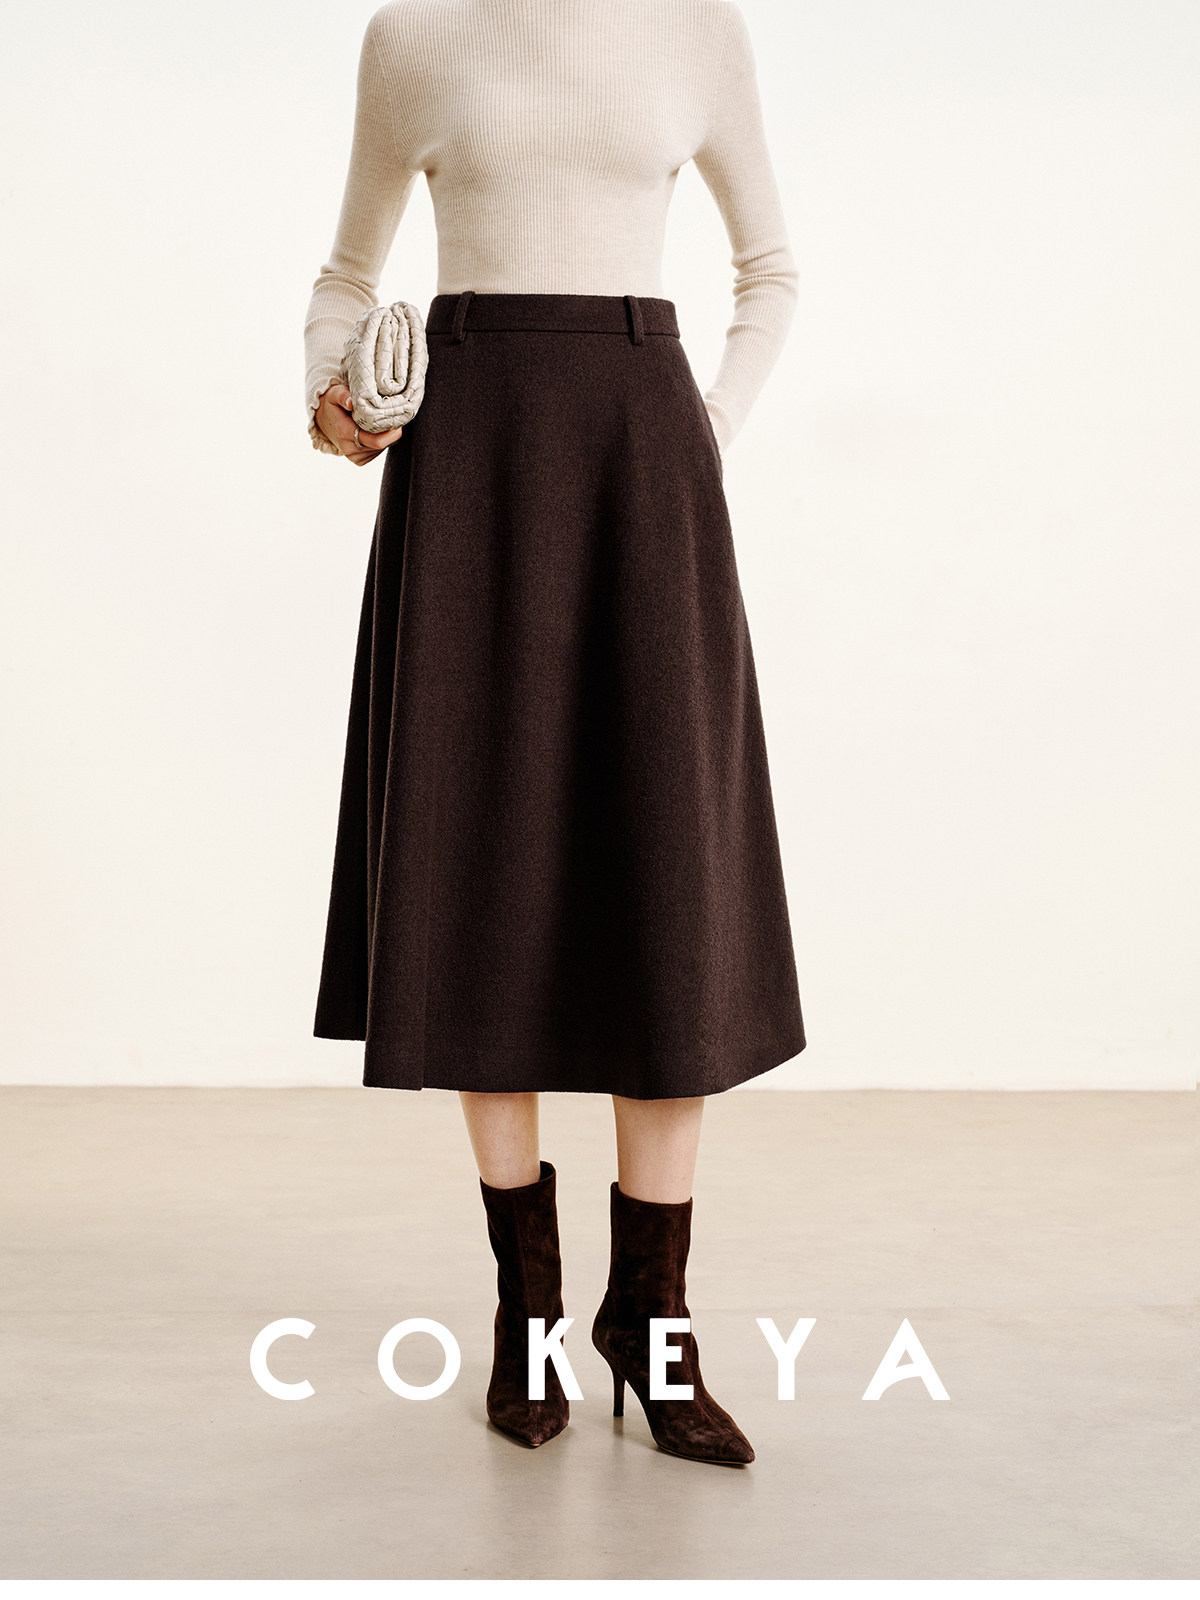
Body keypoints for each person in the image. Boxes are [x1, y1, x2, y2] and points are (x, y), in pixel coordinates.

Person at [303, 0, 806, 1466]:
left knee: (667, 871)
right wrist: (332, 400)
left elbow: (772, 269)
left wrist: (702, 433)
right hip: (470, 466)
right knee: (484, 863)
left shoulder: (695, 31)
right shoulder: (414, 39)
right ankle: (527, 1315)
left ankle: (652, 1321)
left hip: (644, 463)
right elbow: (345, 277)